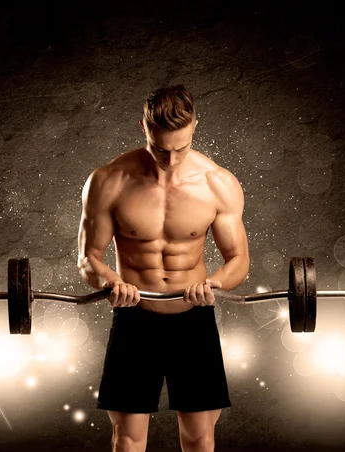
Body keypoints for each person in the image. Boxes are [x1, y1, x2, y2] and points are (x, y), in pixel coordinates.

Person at [77, 85, 250, 452]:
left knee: (200, 439)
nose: (170, 160)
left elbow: (238, 261)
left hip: (194, 319)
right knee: (126, 440)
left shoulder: (218, 184)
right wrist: (110, 280)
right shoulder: (109, 181)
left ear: (195, 128)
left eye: (181, 148)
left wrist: (215, 283)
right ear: (144, 128)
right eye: (160, 149)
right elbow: (89, 257)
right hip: (134, 316)